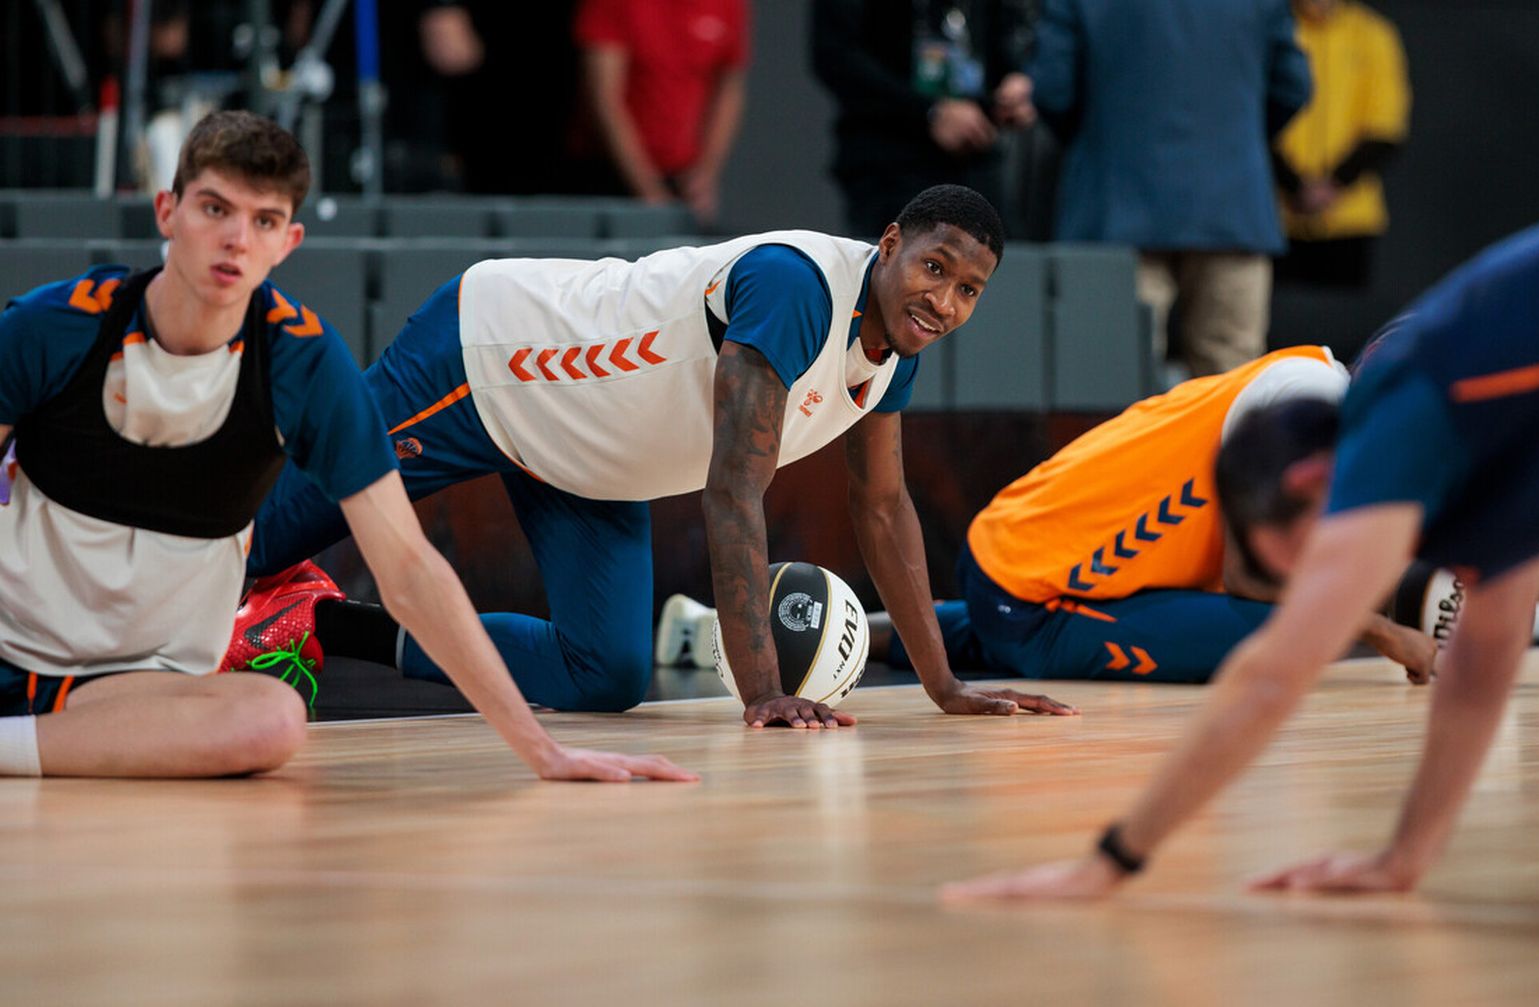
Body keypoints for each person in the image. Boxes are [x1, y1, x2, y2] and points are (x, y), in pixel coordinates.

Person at [0, 110, 693, 784]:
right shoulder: (56, 327)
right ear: (166, 212)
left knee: (272, 720)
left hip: (135, 691)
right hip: (11, 643)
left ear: (288, 241)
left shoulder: (303, 365)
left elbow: (409, 570)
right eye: (215, 209)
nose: (236, 239)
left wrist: (543, 751)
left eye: (263, 220)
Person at [238, 184, 1074, 730]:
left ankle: (322, 625)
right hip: (491, 359)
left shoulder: (895, 348)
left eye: (969, 290)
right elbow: (732, 493)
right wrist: (763, 693)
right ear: (889, 243)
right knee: (250, 546)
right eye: (935, 268)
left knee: (606, 672)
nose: (946, 300)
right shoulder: (797, 288)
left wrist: (946, 687)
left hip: (587, 459)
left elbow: (884, 508)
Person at [943, 207, 1539, 900]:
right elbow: (1481, 660)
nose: (1312, 582)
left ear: (1310, 480)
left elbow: (1271, 675)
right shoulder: (1503, 451)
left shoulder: (1399, 418)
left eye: (1305, 561)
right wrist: (1404, 857)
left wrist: (1107, 863)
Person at [659, 346, 1437, 685]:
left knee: (981, 633)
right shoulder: (1307, 404)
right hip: (1030, 594)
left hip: (1020, 556)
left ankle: (724, 627)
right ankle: (999, 636)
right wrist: (1383, 629)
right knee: (1276, 638)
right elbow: (1251, 577)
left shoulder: (1313, 386)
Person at [994, 0, 1310, 377]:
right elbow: (1294, 86)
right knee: (1230, 385)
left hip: (1116, 206)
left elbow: (1052, 89)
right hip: (1231, 206)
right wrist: (1234, 140)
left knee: (1113, 382)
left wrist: (1096, 138)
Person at [811, 0, 1035, 238]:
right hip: (888, 160)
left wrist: (1013, 82)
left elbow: (1000, 32)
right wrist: (930, 112)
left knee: (1002, 265)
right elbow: (836, 54)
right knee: (901, 266)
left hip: (976, 153)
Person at [1273, 0, 1411, 288]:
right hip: (1277, 217)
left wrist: (1333, 184)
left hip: (1349, 219)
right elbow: (1255, 116)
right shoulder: (1274, 29)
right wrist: (1293, 185)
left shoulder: (1373, 33)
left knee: (1342, 324)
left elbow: (1386, 126)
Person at [573, 0, 749, 227]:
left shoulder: (728, 5)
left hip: (680, 178)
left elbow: (729, 88)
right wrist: (648, 189)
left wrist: (705, 173)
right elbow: (603, 97)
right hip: (607, 175)